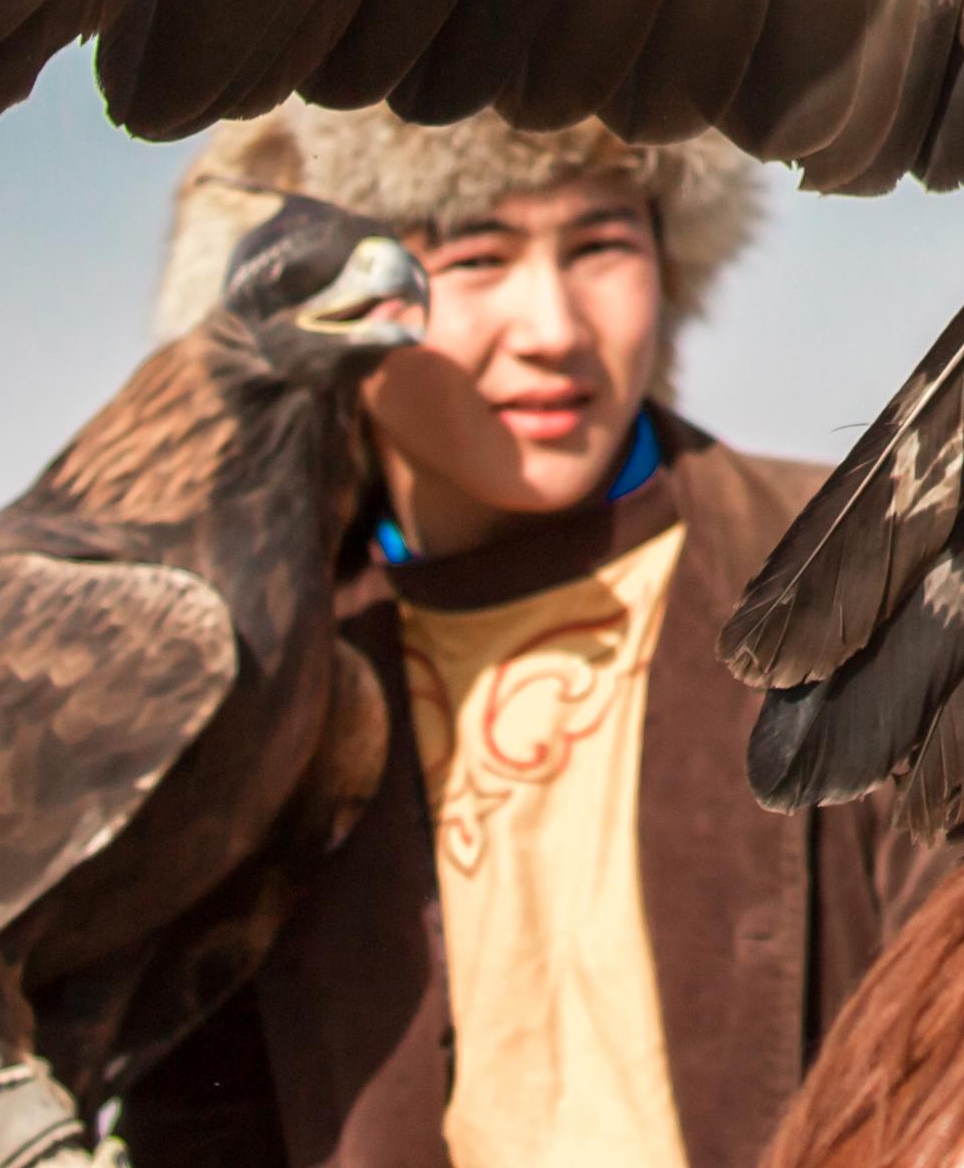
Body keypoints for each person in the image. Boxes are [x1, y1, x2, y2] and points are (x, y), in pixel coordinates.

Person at [115, 107, 921, 1168]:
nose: (552, 325)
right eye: (471, 253)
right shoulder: (254, 677)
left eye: (600, 243)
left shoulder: (864, 578)